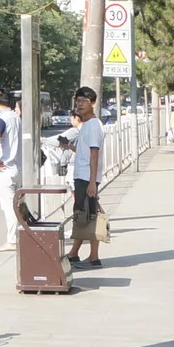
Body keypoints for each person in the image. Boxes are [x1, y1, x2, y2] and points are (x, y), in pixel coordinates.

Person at [67, 87, 105, 268]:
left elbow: (94, 154)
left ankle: (94, 257)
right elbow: (86, 152)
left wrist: (92, 183)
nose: (79, 104)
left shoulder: (93, 126)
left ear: (93, 103)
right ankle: (74, 254)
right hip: (82, 176)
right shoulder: (87, 125)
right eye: (78, 101)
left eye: (83, 101)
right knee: (83, 216)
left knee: (87, 217)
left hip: (86, 178)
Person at [0, 91, 22, 249]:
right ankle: (20, 236)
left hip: (6, 169)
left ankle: (12, 241)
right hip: (19, 168)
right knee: (18, 205)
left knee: (9, 207)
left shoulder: (1, 119)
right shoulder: (17, 117)